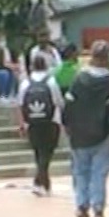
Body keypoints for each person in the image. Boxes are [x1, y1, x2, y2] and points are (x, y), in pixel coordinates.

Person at [62, 40, 109, 217]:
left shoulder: (79, 79)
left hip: (78, 133)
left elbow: (69, 104)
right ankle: (98, 207)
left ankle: (81, 205)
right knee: (99, 172)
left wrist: (67, 124)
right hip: (102, 133)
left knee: (80, 171)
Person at [16, 54, 64, 197]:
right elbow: (59, 102)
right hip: (51, 122)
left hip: (32, 122)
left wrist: (21, 124)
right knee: (47, 153)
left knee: (38, 153)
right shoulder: (51, 82)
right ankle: (40, 182)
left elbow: (19, 104)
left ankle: (42, 183)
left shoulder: (25, 83)